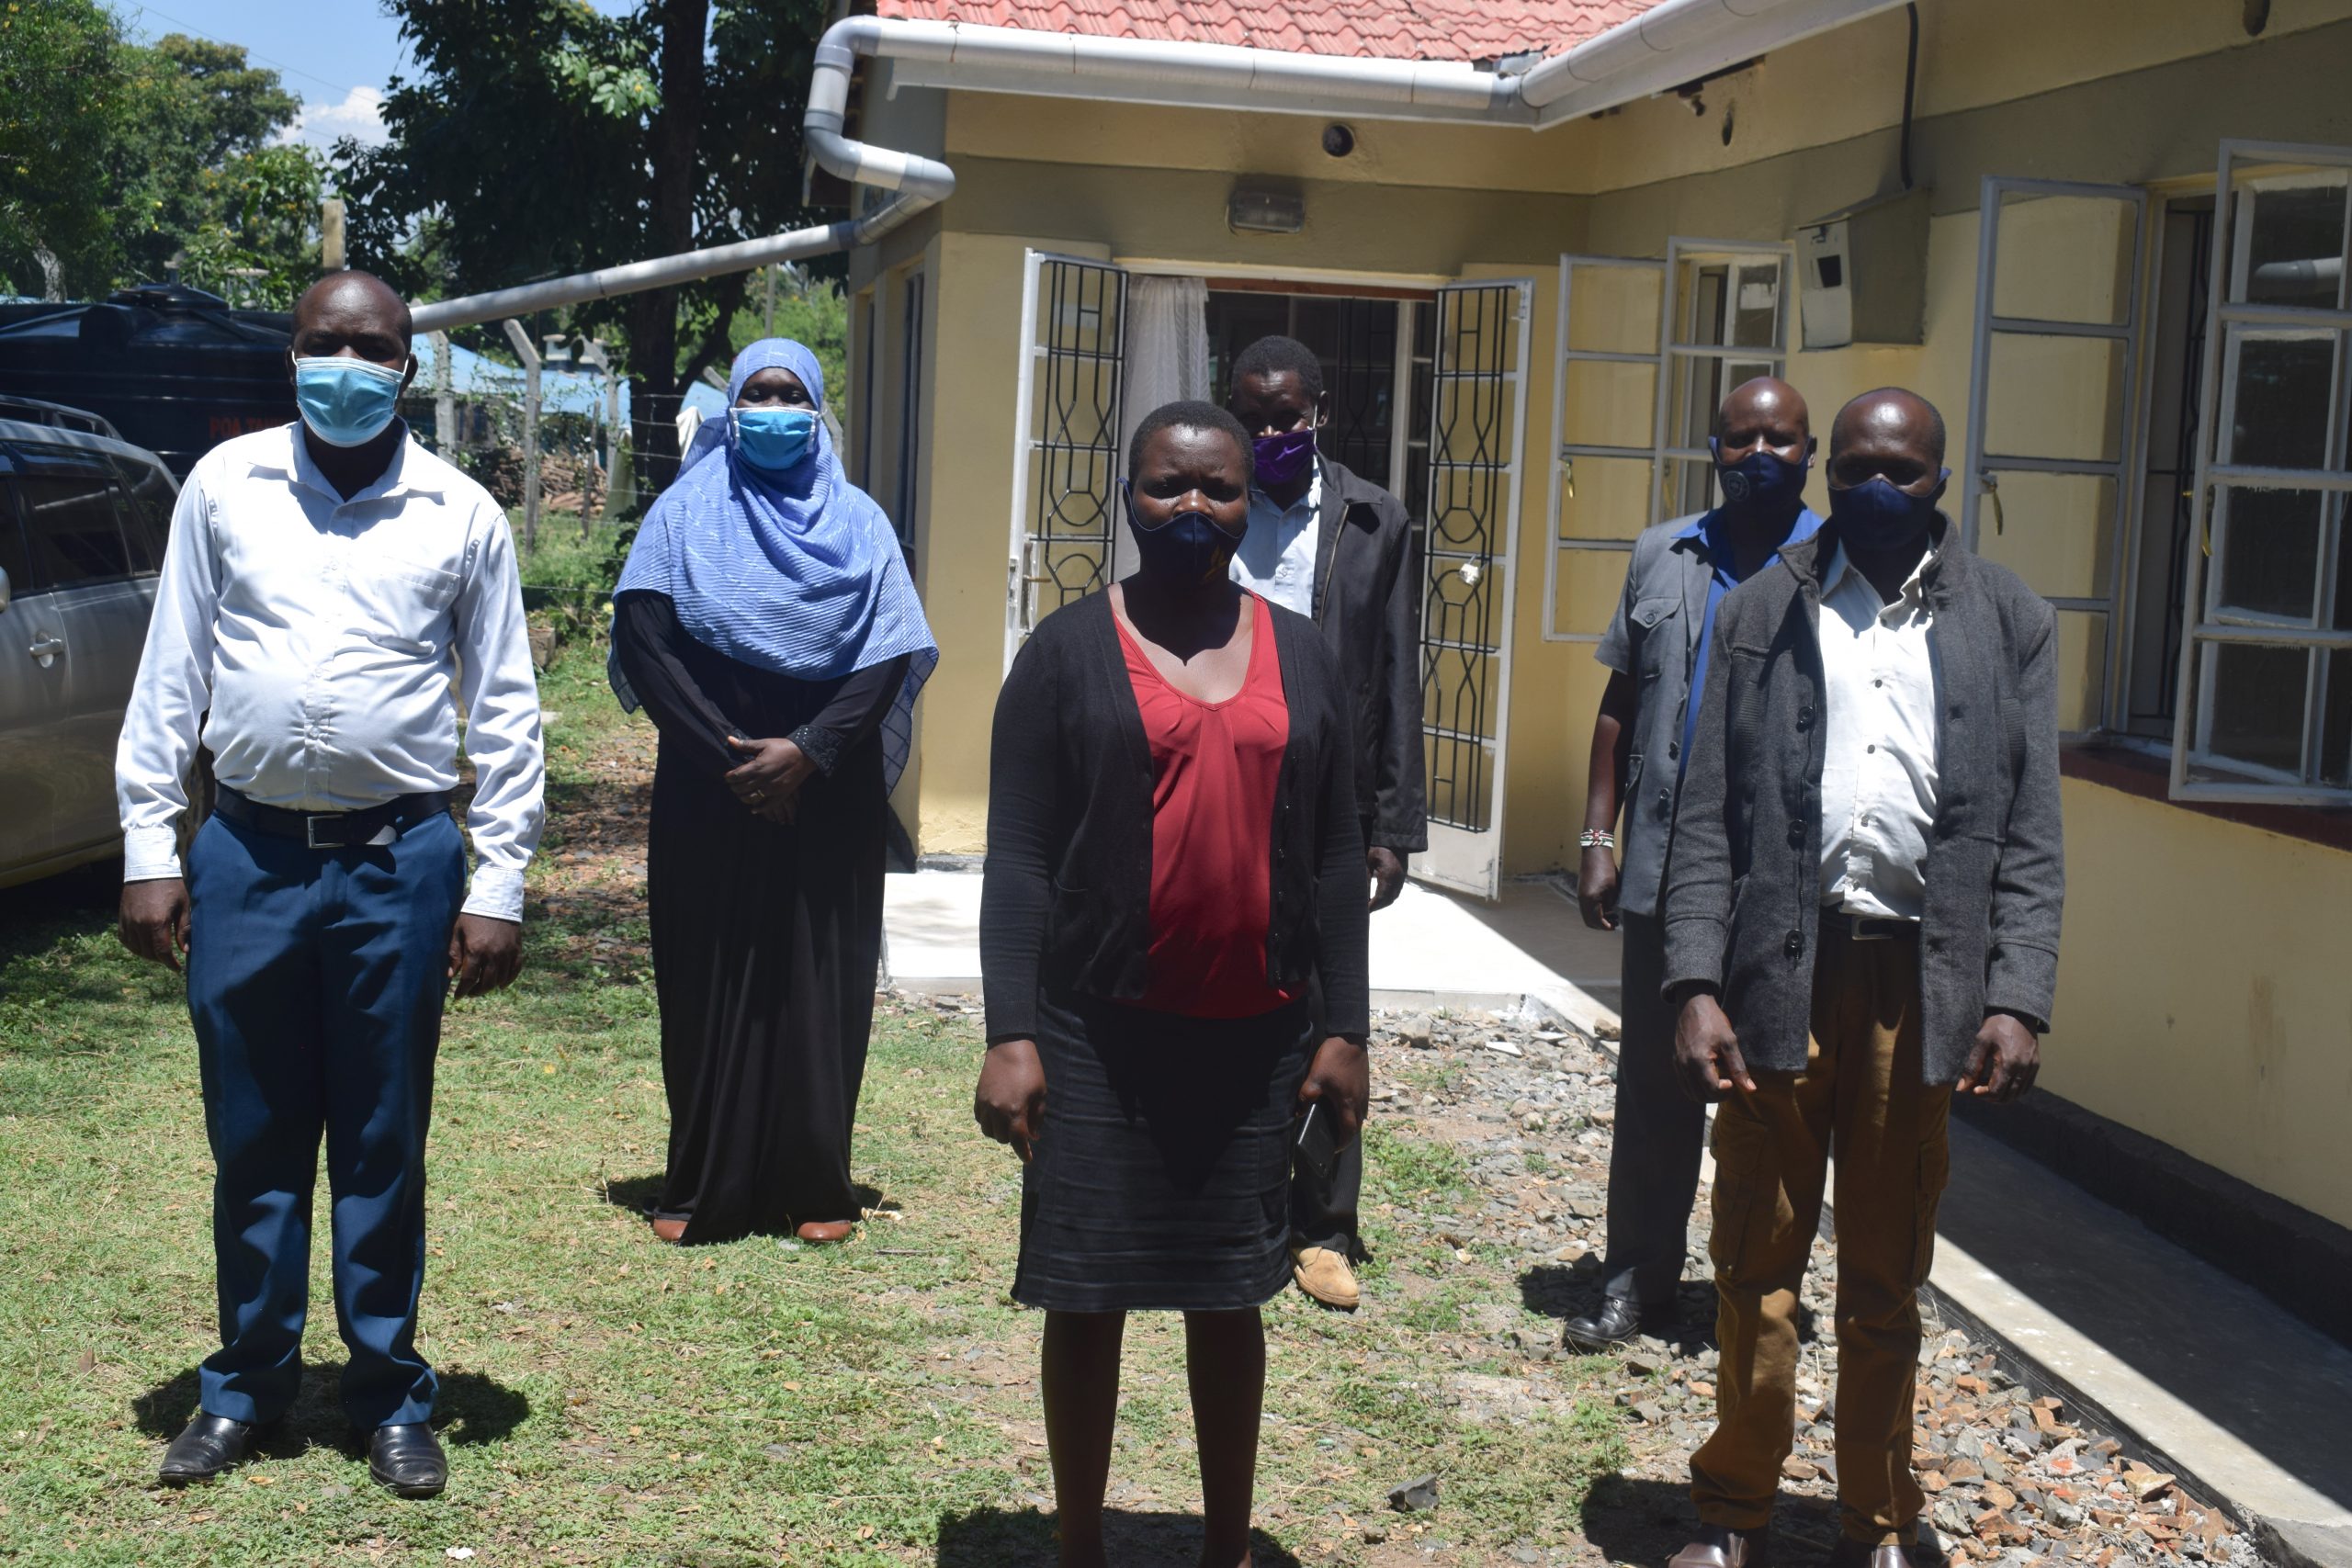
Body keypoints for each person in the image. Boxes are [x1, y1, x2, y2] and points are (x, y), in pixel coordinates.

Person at [115, 270, 545, 1498]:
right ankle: (244, 1383)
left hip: (398, 860)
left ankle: (386, 1390)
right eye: (323, 343)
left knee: (379, 1136)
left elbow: (505, 707)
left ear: (407, 364)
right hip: (244, 854)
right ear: (290, 353)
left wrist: (497, 878)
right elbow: (173, 667)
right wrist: (153, 843)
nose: (345, 365)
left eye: (371, 347)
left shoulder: (459, 513)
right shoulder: (226, 487)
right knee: (251, 1136)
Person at [1660, 389, 2062, 1568]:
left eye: (1905, 469)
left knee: (1885, 1276)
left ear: (1941, 476)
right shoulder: (1759, 609)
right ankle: (1733, 1512)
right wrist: (1693, 983)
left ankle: (1880, 1518)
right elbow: (1702, 822)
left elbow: (2032, 825)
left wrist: (2016, 991)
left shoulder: (2008, 620)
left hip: (1915, 983)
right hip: (1780, 977)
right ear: (1825, 473)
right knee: (1755, 1262)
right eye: (1857, 468)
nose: (1879, 490)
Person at [975, 400, 1371, 1568]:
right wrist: (1011, 1033)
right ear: (1127, 497)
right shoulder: (1061, 655)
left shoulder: (1302, 654)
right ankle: (1082, 1542)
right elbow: (1022, 854)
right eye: (1166, 487)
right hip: (1097, 1033)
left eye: (1217, 489)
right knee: (1084, 1295)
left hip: (1254, 1036)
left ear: (1251, 502)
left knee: (1228, 1298)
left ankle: (1224, 1544)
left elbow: (1340, 854)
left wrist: (1343, 1025)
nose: (1191, 510)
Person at [608, 338, 936, 1247]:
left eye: (792, 393)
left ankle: (814, 1185)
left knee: (818, 976)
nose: (774, 408)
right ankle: (704, 1185)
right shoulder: (680, 516)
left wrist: (808, 752)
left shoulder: (862, 523)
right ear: (731, 409)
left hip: (829, 784)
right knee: (710, 972)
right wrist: (735, 758)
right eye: (758, 393)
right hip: (710, 779)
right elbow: (645, 638)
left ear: (817, 406)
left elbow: (890, 651)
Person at [1564, 378, 1822, 1351]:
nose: (1761, 453)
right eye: (1742, 437)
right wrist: (1598, 835)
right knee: (1653, 1084)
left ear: (1808, 451)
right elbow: (1620, 703)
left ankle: (1758, 1292)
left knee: (1778, 1089)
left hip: (1783, 878)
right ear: (1712, 448)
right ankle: (1636, 1278)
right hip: (1667, 866)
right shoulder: (1663, 555)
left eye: (1781, 439)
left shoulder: (1835, 566)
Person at [1225, 334, 1423, 1314]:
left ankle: (1323, 1228)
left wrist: (1392, 821)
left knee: (1330, 1007)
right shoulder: (1201, 497)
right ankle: (1230, 1204)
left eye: (1285, 416)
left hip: (1326, 802)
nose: (1269, 433)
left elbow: (1396, 670)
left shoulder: (1372, 518)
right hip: (1216, 791)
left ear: (1320, 411)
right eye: (1252, 416)